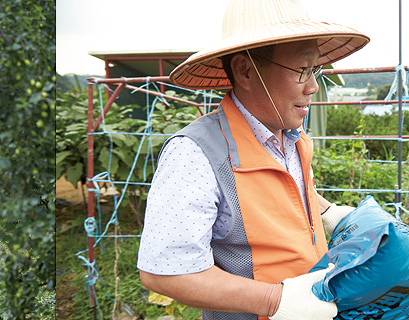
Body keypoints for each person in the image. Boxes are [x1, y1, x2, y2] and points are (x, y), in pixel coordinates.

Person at [137, 0, 369, 319]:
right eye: (303, 70)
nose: (314, 86)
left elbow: (276, 196)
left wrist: (329, 212)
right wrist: (275, 301)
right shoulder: (196, 153)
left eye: (316, 69)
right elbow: (165, 271)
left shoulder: (292, 138)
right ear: (246, 71)